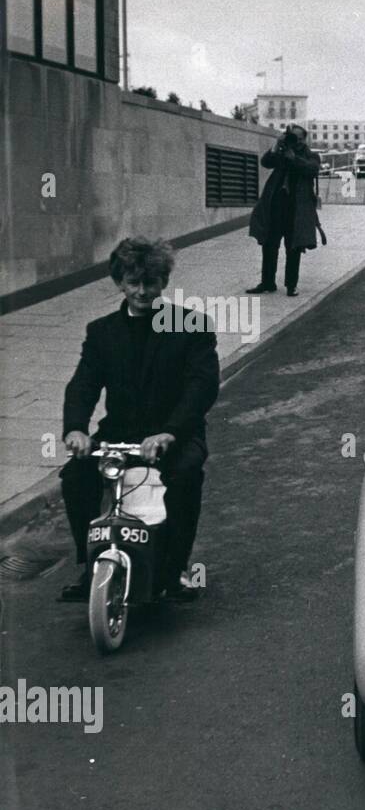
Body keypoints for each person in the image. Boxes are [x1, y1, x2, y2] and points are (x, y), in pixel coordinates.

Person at [60, 238, 219, 601]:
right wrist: (75, 429)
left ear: (163, 281)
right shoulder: (101, 332)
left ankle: (175, 569)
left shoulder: (191, 325)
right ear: (120, 282)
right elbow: (83, 384)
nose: (142, 291)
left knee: (184, 475)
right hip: (120, 432)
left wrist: (170, 432)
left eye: (151, 282)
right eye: (134, 282)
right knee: (76, 476)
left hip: (175, 431)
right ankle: (91, 565)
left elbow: (202, 386)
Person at [247, 123, 321, 297]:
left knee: (293, 248)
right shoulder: (281, 152)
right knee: (269, 245)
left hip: (296, 211)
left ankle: (291, 285)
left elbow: (312, 169)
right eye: (292, 137)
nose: (296, 141)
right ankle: (267, 282)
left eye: (299, 138)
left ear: (304, 139)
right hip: (276, 207)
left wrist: (293, 158)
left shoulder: (311, 155)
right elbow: (265, 162)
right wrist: (276, 145)